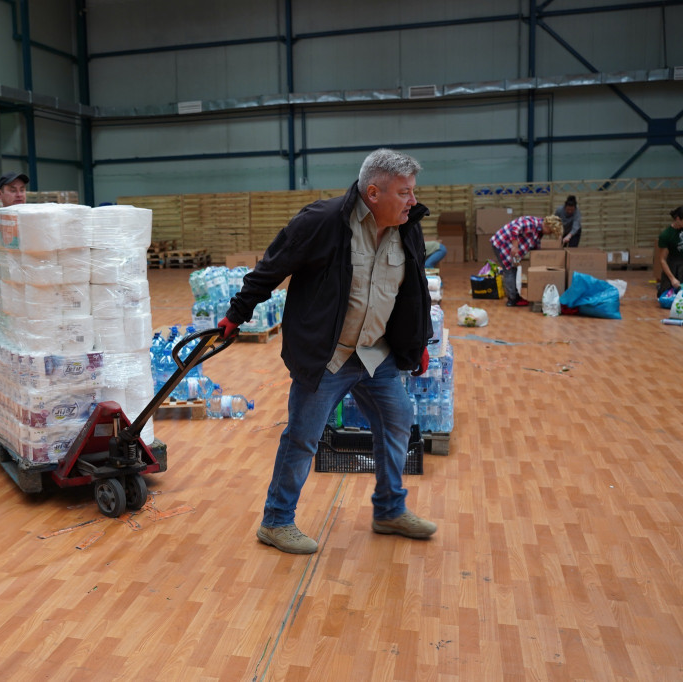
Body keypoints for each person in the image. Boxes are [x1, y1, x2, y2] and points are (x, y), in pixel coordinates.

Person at [216, 148, 436, 555]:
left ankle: (389, 510)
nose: (412, 201)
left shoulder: (408, 226)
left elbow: (415, 289)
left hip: (377, 354)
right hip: (329, 356)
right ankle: (276, 522)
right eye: (404, 192)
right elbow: (271, 267)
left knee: (398, 422)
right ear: (373, 192)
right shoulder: (322, 222)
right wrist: (237, 312)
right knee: (302, 437)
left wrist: (418, 341)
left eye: (412, 191)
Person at [489, 215, 560, 307]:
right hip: (502, 244)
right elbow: (515, 228)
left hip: (512, 249)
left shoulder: (539, 232)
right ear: (547, 225)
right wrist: (515, 246)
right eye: (550, 231)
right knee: (509, 270)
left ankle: (515, 295)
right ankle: (512, 299)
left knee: (514, 269)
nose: (549, 234)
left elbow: (535, 244)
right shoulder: (532, 224)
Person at [657, 205, 683, 296]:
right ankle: (662, 286)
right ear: (678, 219)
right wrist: (672, 279)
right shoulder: (666, 235)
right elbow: (662, 259)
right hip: (672, 264)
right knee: (667, 296)